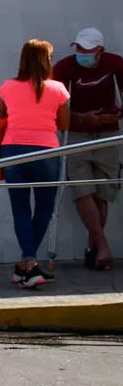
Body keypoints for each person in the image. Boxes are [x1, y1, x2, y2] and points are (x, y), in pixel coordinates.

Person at [0, 39, 70, 288]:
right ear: (45, 60)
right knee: (44, 208)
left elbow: (1, 115)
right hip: (46, 151)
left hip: (13, 150)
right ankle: (29, 265)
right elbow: (64, 123)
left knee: (20, 208)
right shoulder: (58, 89)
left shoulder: (7, 87)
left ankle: (25, 265)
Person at [52, 27, 123, 271]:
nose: (82, 53)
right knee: (81, 189)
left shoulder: (115, 64)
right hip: (77, 134)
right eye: (79, 48)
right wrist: (82, 118)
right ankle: (102, 245)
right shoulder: (64, 68)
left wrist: (114, 116)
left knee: (103, 192)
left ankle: (94, 250)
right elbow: (54, 107)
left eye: (88, 50)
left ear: (100, 50)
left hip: (108, 134)